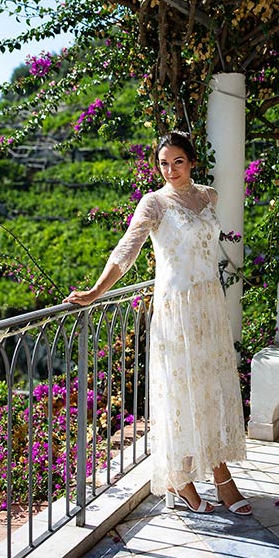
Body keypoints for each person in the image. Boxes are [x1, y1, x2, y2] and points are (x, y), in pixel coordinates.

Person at [64, 131, 251, 515]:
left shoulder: (208, 196)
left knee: (212, 389)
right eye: (164, 163)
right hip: (176, 309)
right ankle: (188, 479)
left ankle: (214, 474)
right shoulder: (154, 203)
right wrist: (98, 290)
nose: (170, 170)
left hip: (209, 305)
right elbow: (127, 250)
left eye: (178, 162)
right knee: (183, 393)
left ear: (192, 162)